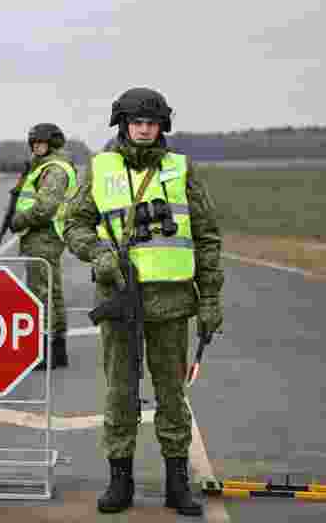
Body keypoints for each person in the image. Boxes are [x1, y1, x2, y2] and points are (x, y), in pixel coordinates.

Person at [59, 88, 224, 516]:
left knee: (172, 397)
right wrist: (97, 253)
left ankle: (177, 484)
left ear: (162, 126)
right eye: (137, 122)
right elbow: (72, 223)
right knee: (120, 394)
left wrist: (210, 301)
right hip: (120, 303)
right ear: (123, 125)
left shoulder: (181, 169)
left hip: (171, 306)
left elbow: (206, 238)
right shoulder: (100, 168)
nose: (145, 128)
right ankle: (120, 482)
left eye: (152, 122)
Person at [9, 123, 79, 369]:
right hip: (45, 236)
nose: (37, 147)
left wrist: (19, 221)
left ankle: (44, 351)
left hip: (43, 236)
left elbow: (44, 208)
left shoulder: (55, 169)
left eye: (41, 143)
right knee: (52, 293)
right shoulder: (45, 167)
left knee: (41, 295)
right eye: (34, 143)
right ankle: (57, 350)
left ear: (54, 144)